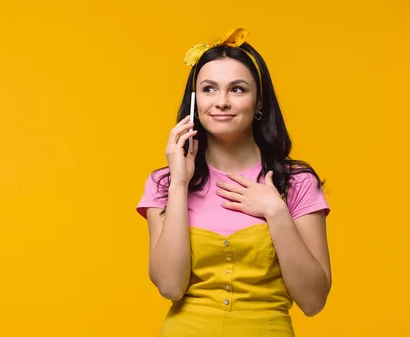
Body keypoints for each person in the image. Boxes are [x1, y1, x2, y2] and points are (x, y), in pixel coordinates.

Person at [135, 28, 332, 337]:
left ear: (259, 104)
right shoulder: (164, 183)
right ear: (194, 102)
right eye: (209, 89)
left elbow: (313, 300)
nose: (222, 101)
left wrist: (276, 212)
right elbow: (171, 287)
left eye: (237, 89)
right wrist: (179, 184)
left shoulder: (296, 182)